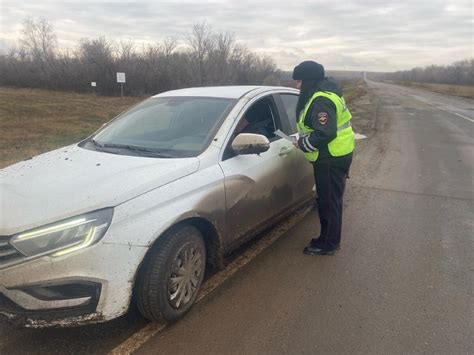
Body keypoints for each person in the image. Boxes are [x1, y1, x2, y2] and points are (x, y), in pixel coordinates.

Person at [292, 60, 355, 255]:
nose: (297, 86)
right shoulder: (328, 93)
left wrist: (302, 143)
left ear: (309, 80)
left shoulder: (320, 100)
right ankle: (329, 239)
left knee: (329, 203)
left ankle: (327, 243)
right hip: (339, 154)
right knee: (332, 200)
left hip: (330, 158)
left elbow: (325, 133)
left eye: (299, 81)